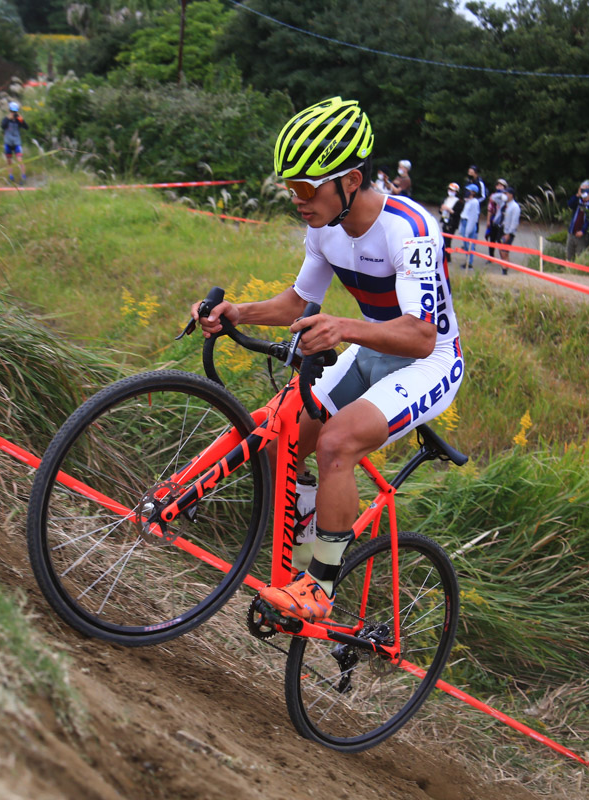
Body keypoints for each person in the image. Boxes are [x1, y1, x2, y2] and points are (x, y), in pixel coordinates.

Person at [192, 97, 464, 623]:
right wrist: (236, 312)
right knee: (281, 435)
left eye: (307, 188)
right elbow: (298, 302)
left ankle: (320, 589)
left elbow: (420, 335)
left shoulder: (409, 229)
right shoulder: (324, 225)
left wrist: (342, 326)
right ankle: (310, 544)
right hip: (372, 349)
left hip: (427, 362)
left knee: (337, 440)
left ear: (351, 181)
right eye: (289, 187)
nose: (297, 199)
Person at [566, 180, 589, 262]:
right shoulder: (578, 202)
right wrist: (578, 195)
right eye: (583, 188)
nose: (584, 191)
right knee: (569, 257)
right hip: (572, 233)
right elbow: (570, 204)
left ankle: (578, 273)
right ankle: (568, 272)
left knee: (580, 257)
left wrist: (583, 230)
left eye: (587, 189)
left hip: (583, 236)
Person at [0, 101, 28, 185]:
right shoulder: (6, 119)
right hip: (8, 143)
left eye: (15, 112)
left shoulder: (18, 120)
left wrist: (21, 120)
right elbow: (2, 126)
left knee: (20, 160)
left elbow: (26, 127)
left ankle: (23, 176)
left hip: (16, 143)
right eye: (12, 111)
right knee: (9, 161)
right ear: (10, 111)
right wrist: (9, 118)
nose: (14, 113)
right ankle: (10, 176)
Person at [498, 185, 522, 275]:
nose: (505, 195)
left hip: (509, 231)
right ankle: (503, 266)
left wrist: (509, 233)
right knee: (500, 249)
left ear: (511, 195)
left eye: (506, 193)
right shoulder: (504, 205)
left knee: (505, 251)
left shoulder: (515, 207)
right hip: (502, 228)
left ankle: (505, 269)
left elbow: (515, 221)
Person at [457, 185, 480, 270]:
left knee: (469, 244)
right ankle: (467, 261)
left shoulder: (474, 202)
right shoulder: (468, 201)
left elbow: (473, 217)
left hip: (468, 223)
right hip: (464, 222)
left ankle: (469, 263)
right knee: (466, 245)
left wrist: (468, 230)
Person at [440, 182, 463, 265]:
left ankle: (447, 257)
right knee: (443, 239)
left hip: (452, 223)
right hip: (445, 220)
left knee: (448, 240)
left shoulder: (459, 202)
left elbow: (457, 213)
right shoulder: (446, 199)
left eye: (453, 190)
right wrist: (442, 209)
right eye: (450, 189)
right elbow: (440, 210)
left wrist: (449, 210)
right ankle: (444, 255)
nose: (450, 191)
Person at [486, 178, 508, 258]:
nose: (499, 187)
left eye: (501, 185)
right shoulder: (493, 196)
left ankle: (503, 257)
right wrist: (488, 220)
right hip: (494, 218)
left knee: (500, 240)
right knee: (492, 238)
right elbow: (490, 209)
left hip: (502, 220)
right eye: (498, 185)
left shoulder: (506, 196)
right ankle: (491, 256)